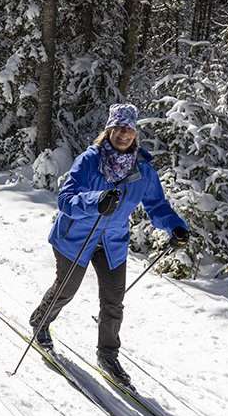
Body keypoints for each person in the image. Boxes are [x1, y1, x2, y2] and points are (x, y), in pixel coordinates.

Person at [28, 103, 190, 388]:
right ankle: (40, 323)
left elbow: (157, 205)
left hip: (112, 241)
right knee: (66, 289)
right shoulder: (90, 160)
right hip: (76, 235)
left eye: (129, 129)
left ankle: (108, 354)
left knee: (113, 301)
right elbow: (65, 199)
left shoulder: (142, 169)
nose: (123, 134)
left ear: (135, 133)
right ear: (109, 130)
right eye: (118, 128)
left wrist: (175, 226)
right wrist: (96, 202)